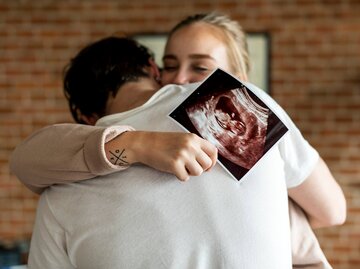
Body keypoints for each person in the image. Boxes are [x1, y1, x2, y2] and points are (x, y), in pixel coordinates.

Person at [10, 13, 345, 268]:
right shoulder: (231, 106)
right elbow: (331, 210)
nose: (182, 81)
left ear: (83, 116)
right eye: (172, 66)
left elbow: (24, 162)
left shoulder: (60, 191)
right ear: (154, 70)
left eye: (200, 68)